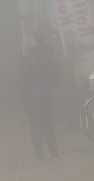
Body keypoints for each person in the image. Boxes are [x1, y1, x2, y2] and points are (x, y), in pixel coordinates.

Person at [19, 25, 62, 160]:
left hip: (31, 95)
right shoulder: (51, 56)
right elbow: (58, 78)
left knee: (34, 125)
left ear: (34, 39)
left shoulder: (28, 56)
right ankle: (54, 152)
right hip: (48, 94)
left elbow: (21, 78)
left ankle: (39, 154)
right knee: (47, 123)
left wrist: (24, 91)